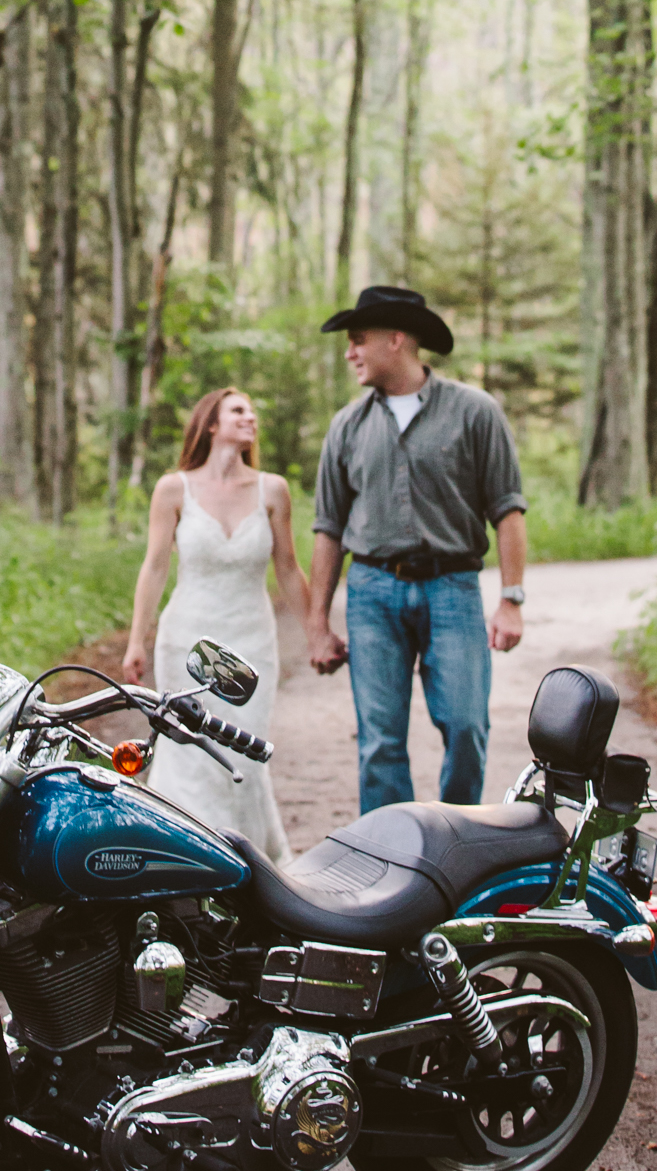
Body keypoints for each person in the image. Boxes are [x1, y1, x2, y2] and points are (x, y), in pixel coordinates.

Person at [304, 284, 528, 815]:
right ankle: (389, 861)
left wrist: (512, 599)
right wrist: (317, 623)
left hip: (452, 588)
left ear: (396, 340)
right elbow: (328, 528)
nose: (349, 352)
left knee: (467, 726)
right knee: (379, 740)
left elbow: (508, 510)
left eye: (358, 340)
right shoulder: (347, 425)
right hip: (373, 593)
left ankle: (460, 842)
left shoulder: (475, 412)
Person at [123, 387, 309, 863]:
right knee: (186, 746)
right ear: (211, 423)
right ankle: (179, 856)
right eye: (239, 410)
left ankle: (248, 864)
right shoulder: (173, 489)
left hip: (251, 640)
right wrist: (136, 640)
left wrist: (318, 632)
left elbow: (288, 567)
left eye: (252, 409)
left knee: (243, 751)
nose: (251, 416)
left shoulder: (273, 490)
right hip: (187, 638)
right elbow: (155, 567)